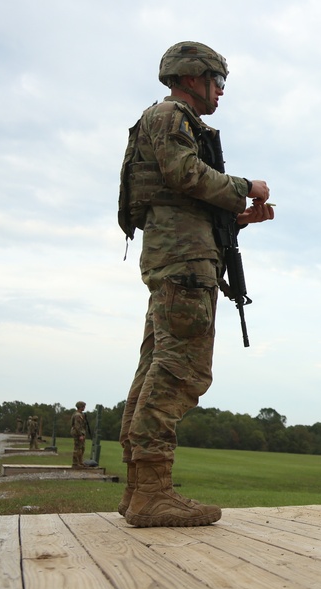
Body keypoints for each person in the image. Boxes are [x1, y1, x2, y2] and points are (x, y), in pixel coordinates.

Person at [116, 41, 274, 528]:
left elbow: (178, 192)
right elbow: (183, 173)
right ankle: (153, 492)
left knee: (156, 366)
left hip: (178, 252)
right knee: (181, 370)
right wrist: (245, 187)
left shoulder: (169, 119)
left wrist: (237, 218)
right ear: (191, 77)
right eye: (217, 82)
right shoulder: (171, 115)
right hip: (184, 260)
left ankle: (141, 488)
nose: (221, 92)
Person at [70, 401, 90, 469]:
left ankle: (80, 462)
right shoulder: (77, 415)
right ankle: (75, 463)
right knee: (77, 448)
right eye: (83, 406)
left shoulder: (80, 414)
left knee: (82, 448)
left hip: (81, 433)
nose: (84, 407)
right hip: (78, 433)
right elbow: (77, 426)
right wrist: (80, 435)